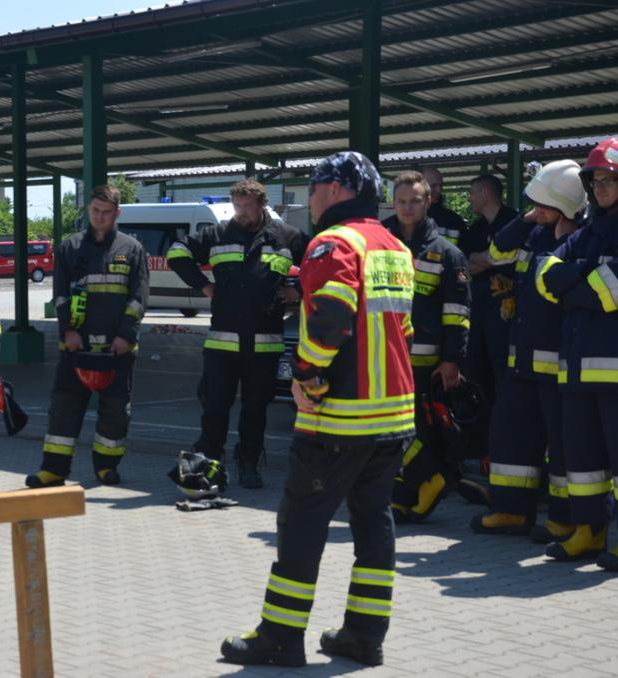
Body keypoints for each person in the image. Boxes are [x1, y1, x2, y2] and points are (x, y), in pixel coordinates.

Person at [221, 151, 415, 668]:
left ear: (335, 189)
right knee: (374, 526)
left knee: (301, 524)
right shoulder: (394, 245)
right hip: (393, 416)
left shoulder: (334, 242)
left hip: (341, 418)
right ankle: (363, 636)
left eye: (313, 185)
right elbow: (403, 330)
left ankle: (281, 637)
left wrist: (305, 373)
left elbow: (330, 318)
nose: (309, 196)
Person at [536, 137, 618, 572]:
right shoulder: (588, 232)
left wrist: (574, 282)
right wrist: (577, 282)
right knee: (580, 458)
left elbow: (606, 291)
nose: (601, 187)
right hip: (577, 367)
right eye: (595, 180)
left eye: (609, 180)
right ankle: (589, 531)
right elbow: (543, 273)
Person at [471, 160, 586, 540]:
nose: (537, 209)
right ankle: (509, 510)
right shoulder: (534, 234)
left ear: (566, 206)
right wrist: (527, 218)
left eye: (544, 203)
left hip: (558, 364)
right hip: (520, 360)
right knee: (509, 435)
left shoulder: (582, 237)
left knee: (563, 446)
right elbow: (497, 251)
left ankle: (565, 517)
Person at [167, 179, 308, 488]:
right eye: (237, 206)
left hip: (265, 344)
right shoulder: (217, 234)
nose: (241, 212)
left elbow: (319, 264)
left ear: (261, 204)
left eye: (247, 206)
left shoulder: (286, 237)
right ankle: (209, 468)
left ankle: (249, 463)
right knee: (215, 408)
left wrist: (297, 290)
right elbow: (177, 253)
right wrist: (204, 285)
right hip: (222, 344)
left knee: (255, 411)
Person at [26, 185, 148, 488]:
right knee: (64, 408)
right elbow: (61, 296)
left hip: (117, 350)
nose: (100, 217)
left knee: (116, 411)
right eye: (95, 210)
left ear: (117, 213)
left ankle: (106, 467)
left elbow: (138, 298)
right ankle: (53, 469)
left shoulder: (132, 249)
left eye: (107, 212)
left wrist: (125, 336)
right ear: (88, 210)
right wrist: (67, 331)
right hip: (75, 348)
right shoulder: (70, 248)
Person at [384, 172, 471, 523]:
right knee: (389, 430)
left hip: (425, 362)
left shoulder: (447, 254)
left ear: (428, 201)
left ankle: (416, 491)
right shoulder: (379, 244)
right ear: (393, 203)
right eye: (402, 201)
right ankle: (423, 482)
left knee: (416, 429)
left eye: (415, 201)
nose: (407, 207)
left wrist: (452, 360)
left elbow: (458, 312)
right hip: (383, 357)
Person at [458, 175, 519, 459]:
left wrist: (488, 259)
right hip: (479, 311)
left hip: (506, 313)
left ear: (485, 192)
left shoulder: (514, 222)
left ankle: (507, 442)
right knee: (475, 371)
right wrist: (495, 258)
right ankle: (478, 445)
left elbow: (513, 257)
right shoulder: (475, 228)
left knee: (503, 374)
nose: (469, 198)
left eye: (471, 192)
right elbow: (469, 264)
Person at [422, 167, 468, 246]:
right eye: (433, 185)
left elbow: (465, 254)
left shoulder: (454, 221)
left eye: (441, 186)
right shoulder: (404, 219)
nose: (439, 190)